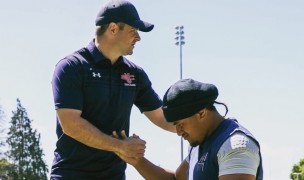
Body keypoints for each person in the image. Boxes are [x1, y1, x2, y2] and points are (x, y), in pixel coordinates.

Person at [50, 0, 175, 179]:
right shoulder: (71, 67)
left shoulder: (135, 74)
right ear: (113, 29)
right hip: (71, 175)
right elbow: (70, 124)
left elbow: (163, 118)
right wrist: (121, 146)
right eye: (133, 31)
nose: (138, 38)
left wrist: (213, 130)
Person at [115, 78, 263, 180]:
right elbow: (175, 179)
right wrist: (137, 161)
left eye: (180, 124)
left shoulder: (236, 145)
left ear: (202, 113)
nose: (178, 132)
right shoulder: (199, 143)